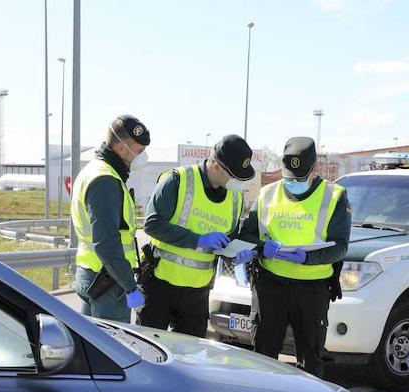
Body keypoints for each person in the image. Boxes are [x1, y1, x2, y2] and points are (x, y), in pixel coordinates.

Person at [238, 136, 350, 377]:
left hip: (312, 290)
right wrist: (261, 247)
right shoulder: (267, 194)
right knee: (263, 358)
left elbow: (340, 246)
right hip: (270, 286)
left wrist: (307, 258)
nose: (293, 183)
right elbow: (247, 234)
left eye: (300, 179)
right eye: (289, 178)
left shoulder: (334, 196)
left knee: (310, 362)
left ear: (314, 169)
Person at [139, 134, 255, 336]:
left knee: (189, 354)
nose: (238, 182)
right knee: (149, 349)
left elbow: (228, 239)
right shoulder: (178, 180)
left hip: (197, 294)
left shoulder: (235, 197)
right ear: (216, 166)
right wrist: (198, 240)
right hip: (160, 285)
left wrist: (235, 255)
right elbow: (152, 224)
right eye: (234, 176)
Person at [70, 114, 150, 321]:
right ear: (122, 148)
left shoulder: (94, 170)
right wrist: (130, 286)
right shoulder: (105, 180)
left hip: (93, 273)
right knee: (112, 341)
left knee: (89, 339)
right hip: (107, 281)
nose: (143, 156)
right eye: (139, 150)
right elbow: (107, 242)